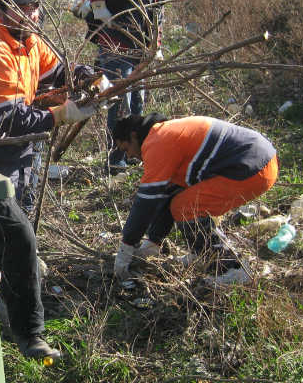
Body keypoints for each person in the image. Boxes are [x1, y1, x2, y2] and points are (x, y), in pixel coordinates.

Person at [0, 0, 97, 361]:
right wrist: (62, 113)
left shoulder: (28, 41)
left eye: (33, 5)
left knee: (12, 236)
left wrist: (87, 78)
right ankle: (31, 336)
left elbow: (57, 71)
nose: (31, 12)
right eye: (22, 6)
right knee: (18, 239)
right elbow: (7, 123)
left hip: (20, 158)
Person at [109, 114, 279, 285]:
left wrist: (126, 246)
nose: (129, 156)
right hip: (258, 161)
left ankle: (233, 268)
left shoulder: (158, 141)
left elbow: (146, 202)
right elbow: (168, 193)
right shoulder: (166, 133)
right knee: (180, 200)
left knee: (186, 207)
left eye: (126, 149)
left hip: (253, 167)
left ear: (133, 136)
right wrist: (153, 242)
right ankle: (202, 253)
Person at [85, 0, 179, 172]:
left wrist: (155, 49)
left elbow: (157, 25)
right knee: (119, 104)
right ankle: (115, 158)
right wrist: (99, 7)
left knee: (137, 102)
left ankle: (134, 152)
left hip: (139, 55)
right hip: (114, 49)